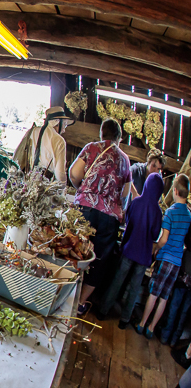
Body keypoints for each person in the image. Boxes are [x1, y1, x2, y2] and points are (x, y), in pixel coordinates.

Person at [70, 118, 133, 316]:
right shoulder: (125, 160)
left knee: (73, 249)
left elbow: (74, 173)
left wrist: (82, 190)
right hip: (109, 219)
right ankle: (80, 303)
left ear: (101, 133)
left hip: (84, 210)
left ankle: (65, 292)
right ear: (119, 138)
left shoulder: (91, 148)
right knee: (98, 260)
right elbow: (125, 194)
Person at [97, 172, 164, 329]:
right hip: (143, 255)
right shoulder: (158, 212)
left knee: (117, 281)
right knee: (134, 288)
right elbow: (155, 234)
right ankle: (124, 320)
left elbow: (127, 221)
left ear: (147, 184)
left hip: (129, 249)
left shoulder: (136, 202)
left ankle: (102, 311)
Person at [135, 174, 191, 339]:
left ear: (174, 191)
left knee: (153, 293)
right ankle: (152, 328)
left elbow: (164, 239)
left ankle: (142, 324)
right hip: (177, 261)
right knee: (164, 297)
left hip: (165, 257)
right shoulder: (189, 216)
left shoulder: (170, 213)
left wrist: (155, 248)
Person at [13, 106, 72, 183]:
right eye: (64, 124)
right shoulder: (59, 140)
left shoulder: (32, 131)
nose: (64, 129)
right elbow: (60, 173)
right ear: (57, 122)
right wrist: (63, 188)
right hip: (45, 183)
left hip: (27, 179)